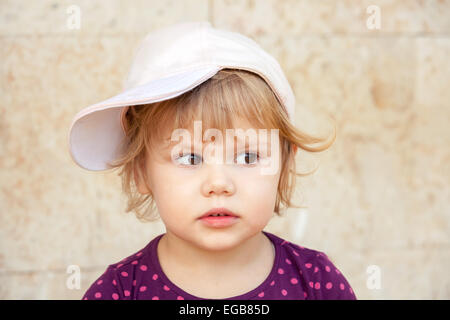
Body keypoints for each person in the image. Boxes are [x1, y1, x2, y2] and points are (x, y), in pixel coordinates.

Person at [69, 21, 356, 300]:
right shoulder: (118, 292)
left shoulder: (319, 284)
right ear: (140, 172)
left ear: (284, 166)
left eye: (248, 157)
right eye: (190, 158)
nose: (219, 184)